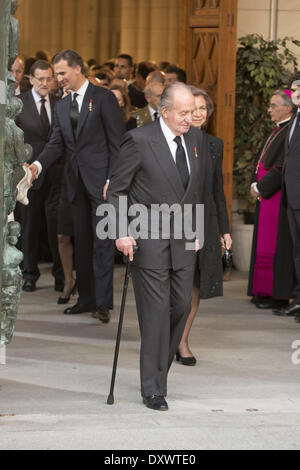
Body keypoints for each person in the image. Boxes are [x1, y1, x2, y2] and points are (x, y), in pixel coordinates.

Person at [107, 83, 204, 411]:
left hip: (184, 240)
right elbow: (117, 190)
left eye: (193, 112)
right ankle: (153, 387)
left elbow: (196, 190)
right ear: (164, 111)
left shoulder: (195, 140)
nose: (190, 118)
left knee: (180, 307)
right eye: (183, 113)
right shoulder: (139, 140)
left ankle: (158, 367)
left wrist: (200, 228)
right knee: (155, 314)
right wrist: (121, 231)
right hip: (148, 240)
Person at [29, 49, 125, 322]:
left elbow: (116, 144)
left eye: (61, 73)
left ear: (78, 69)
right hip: (75, 184)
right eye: (56, 74)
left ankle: (103, 302)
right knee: (82, 241)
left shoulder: (103, 98)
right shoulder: (61, 104)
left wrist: (112, 180)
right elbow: (56, 143)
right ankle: (86, 299)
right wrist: (37, 166)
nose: (57, 79)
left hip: (103, 184)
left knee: (103, 243)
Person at [177, 86, 232, 366]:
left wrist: (224, 229)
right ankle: (165, 337)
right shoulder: (170, 141)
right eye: (193, 108)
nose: (198, 114)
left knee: (195, 287)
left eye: (203, 109)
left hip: (204, 223)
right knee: (175, 287)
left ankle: (182, 341)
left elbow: (217, 191)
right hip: (174, 222)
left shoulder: (214, 145)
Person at [15, 60, 64, 293]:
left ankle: (60, 275)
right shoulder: (19, 104)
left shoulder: (60, 103)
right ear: (31, 79)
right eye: (40, 79)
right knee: (30, 227)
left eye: (49, 78)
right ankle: (29, 274)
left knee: (57, 228)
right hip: (29, 176)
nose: (45, 83)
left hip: (56, 173)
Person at [248, 90, 294, 310]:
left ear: (288, 107)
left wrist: (262, 187)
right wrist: (252, 183)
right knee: (263, 244)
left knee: (276, 246)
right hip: (265, 195)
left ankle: (276, 294)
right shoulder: (277, 130)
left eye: (274, 105)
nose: (269, 109)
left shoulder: (290, 131)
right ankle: (262, 290)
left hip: (276, 196)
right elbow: (260, 161)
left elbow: (281, 166)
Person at [274, 80, 300, 320]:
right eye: (294, 89)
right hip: (292, 195)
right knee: (297, 251)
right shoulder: (294, 118)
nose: (296, 93)